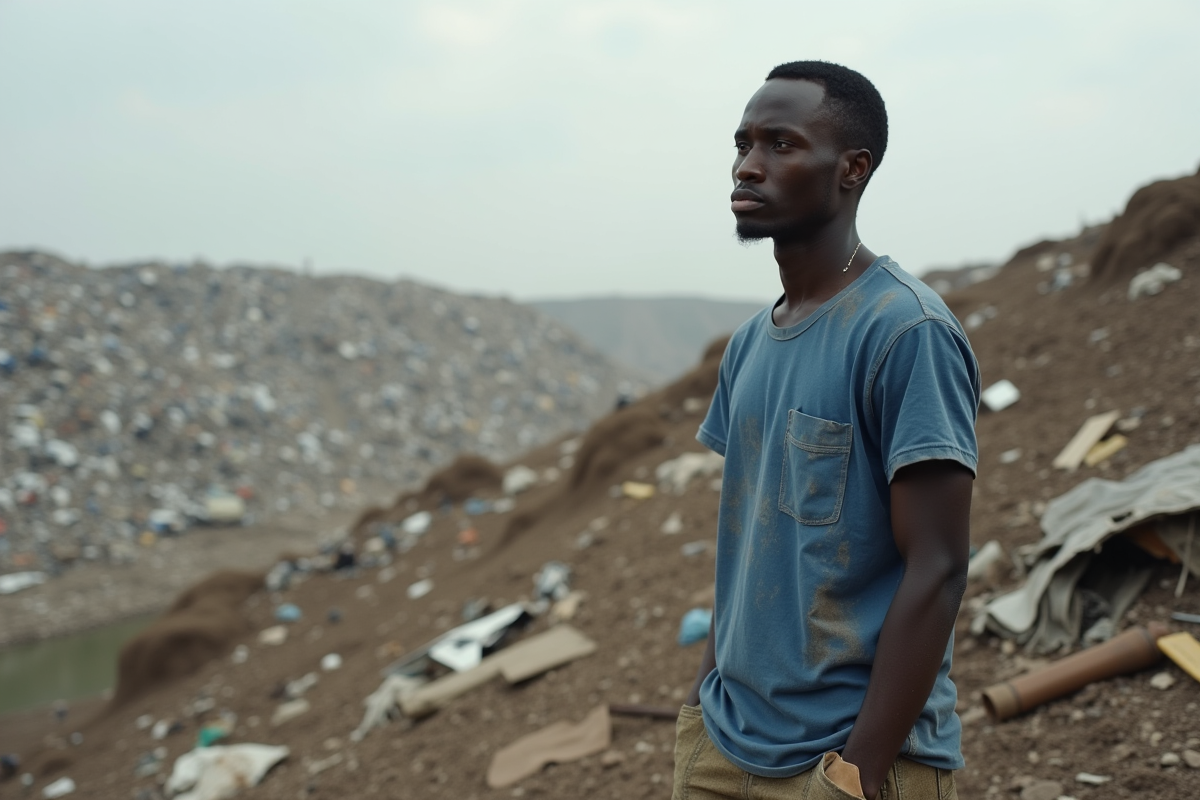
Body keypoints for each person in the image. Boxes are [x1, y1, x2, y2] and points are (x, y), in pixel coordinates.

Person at [674, 61, 980, 800]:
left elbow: (937, 565)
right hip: (723, 746)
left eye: (781, 144)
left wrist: (860, 769)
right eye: (743, 142)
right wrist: (698, 701)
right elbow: (749, 539)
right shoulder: (751, 342)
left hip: (842, 761)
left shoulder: (906, 331)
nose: (748, 165)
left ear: (851, 169)